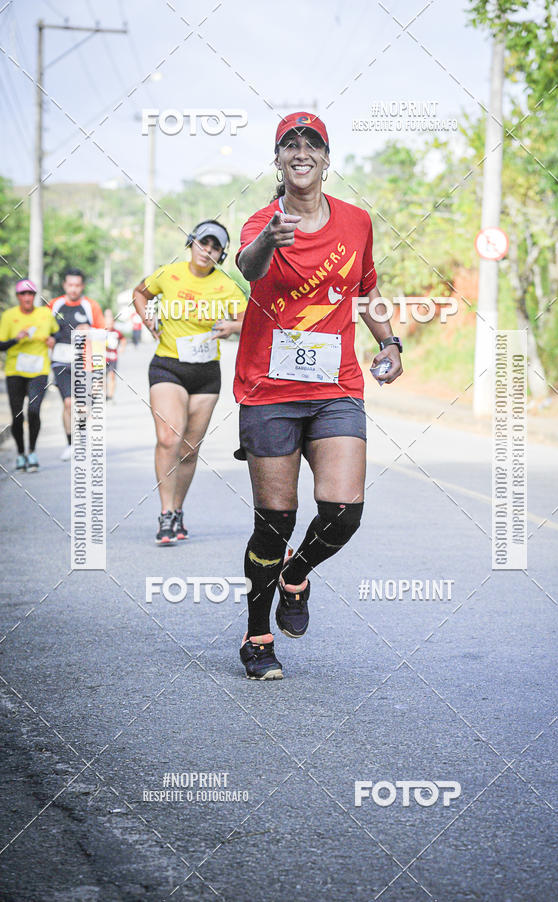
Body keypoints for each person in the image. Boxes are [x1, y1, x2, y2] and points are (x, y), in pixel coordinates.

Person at [234, 113, 403, 679]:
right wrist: (268, 240)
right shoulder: (264, 221)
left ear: (327, 159)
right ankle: (258, 638)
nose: (301, 151)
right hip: (269, 391)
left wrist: (390, 341)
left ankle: (295, 575)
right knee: (273, 522)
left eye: (312, 144)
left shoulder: (356, 222)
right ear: (278, 160)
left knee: (342, 512)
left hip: (335, 389)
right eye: (289, 144)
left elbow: (368, 287)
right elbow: (249, 268)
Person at [132, 219, 247, 546]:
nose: (206, 251)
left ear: (221, 254)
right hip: (168, 366)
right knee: (169, 438)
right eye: (202, 243)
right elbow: (139, 292)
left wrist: (230, 327)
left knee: (189, 449)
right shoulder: (169, 274)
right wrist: (147, 316)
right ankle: (166, 512)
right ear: (191, 243)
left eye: (214, 247)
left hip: (206, 372)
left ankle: (178, 508)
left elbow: (247, 318)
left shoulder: (226, 285)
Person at [0, 278, 59, 471]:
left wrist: (53, 339)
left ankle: (32, 451)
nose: (27, 297)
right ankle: (20, 453)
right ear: (18, 297)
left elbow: (59, 333)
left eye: (31, 294)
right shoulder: (9, 316)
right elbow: (1, 345)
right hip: (15, 371)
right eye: (23, 294)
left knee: (33, 411)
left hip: (38, 370)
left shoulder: (44, 314)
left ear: (35, 296)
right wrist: (15, 340)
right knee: (17, 416)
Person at [49, 268, 104, 460]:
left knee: (82, 406)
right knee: (68, 403)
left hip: (85, 362)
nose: (74, 289)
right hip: (61, 360)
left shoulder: (91, 306)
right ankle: (71, 443)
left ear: (82, 286)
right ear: (64, 285)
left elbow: (103, 332)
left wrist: (90, 329)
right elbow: (45, 331)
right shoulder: (55, 305)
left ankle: (81, 435)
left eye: (77, 285)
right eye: (70, 285)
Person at [103, 309, 126, 401]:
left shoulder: (117, 332)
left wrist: (122, 348)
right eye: (107, 323)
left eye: (111, 323)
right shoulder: (101, 331)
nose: (109, 325)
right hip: (102, 358)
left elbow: (123, 339)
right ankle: (104, 395)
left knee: (112, 375)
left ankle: (111, 395)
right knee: (102, 377)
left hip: (113, 357)